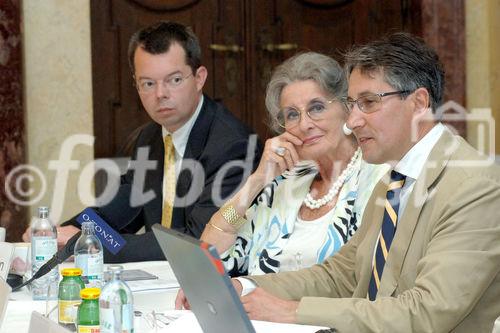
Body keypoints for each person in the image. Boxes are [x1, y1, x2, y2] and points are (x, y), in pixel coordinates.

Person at [176, 33, 500, 332]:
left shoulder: (474, 186)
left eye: (369, 102)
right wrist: (243, 287)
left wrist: (291, 312)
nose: (354, 120)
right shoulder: (395, 178)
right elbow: (341, 274)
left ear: (418, 102)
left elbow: (427, 312)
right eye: (352, 104)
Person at [23, 21, 262, 262]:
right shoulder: (150, 137)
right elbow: (118, 209)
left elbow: (196, 240)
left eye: (174, 80)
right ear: (136, 85)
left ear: (199, 78)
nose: (160, 94)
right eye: (148, 83)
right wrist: (58, 233)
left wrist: (89, 243)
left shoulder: (233, 146)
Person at [199, 52, 387, 276]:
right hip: (260, 308)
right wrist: (256, 181)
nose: (304, 124)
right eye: (292, 115)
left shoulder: (377, 177)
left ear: (347, 107)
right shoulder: (284, 182)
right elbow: (211, 261)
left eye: (316, 107)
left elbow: (367, 278)